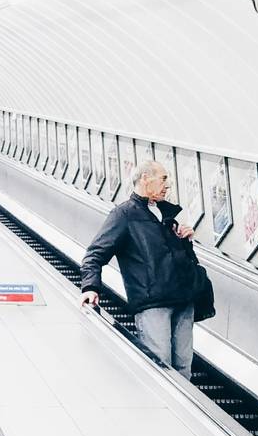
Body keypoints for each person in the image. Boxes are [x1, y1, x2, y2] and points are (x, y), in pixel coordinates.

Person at [79, 161, 202, 378]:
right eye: (164, 179)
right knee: (160, 367)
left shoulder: (168, 214)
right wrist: (90, 287)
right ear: (145, 178)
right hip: (153, 303)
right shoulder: (124, 215)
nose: (168, 185)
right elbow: (95, 253)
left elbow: (179, 258)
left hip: (183, 299)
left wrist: (186, 240)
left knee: (184, 369)